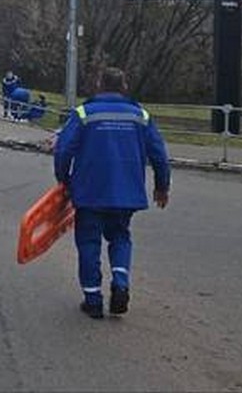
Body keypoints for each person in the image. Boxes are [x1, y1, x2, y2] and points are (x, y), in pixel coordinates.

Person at [53, 67, 170, 319]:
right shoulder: (141, 116)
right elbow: (159, 155)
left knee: (88, 241)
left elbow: (63, 150)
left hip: (89, 191)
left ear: (98, 84)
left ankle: (93, 299)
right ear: (124, 85)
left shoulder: (84, 113)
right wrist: (162, 186)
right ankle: (120, 282)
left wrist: (63, 180)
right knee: (120, 237)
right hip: (126, 192)